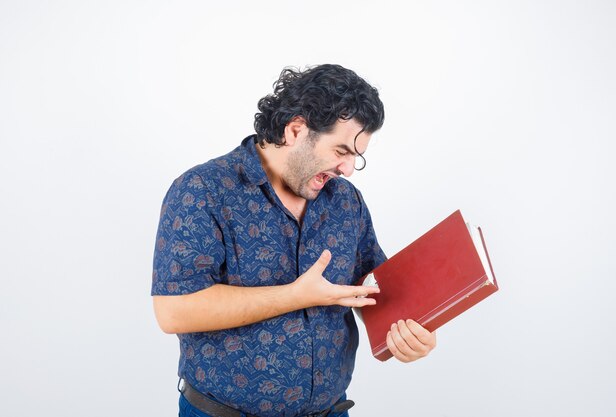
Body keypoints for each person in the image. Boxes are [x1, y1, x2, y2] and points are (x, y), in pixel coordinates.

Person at [151, 64, 436, 417]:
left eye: (355, 158)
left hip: (331, 410)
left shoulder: (347, 201)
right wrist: (294, 296)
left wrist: (411, 332)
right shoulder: (203, 190)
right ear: (296, 129)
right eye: (341, 151)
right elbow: (173, 311)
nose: (347, 169)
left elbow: (372, 286)